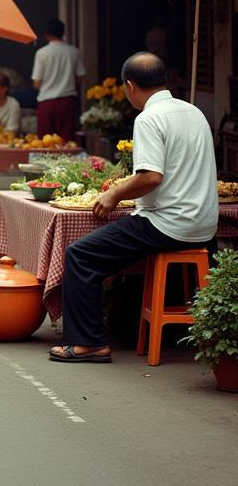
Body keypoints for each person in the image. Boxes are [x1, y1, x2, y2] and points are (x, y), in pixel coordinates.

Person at [49, 52, 218, 363]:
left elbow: (151, 177)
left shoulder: (149, 118)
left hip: (169, 224)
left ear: (129, 86)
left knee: (79, 255)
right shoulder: (193, 111)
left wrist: (114, 194)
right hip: (205, 225)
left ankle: (88, 343)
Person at [32, 18, 85, 141]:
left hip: (46, 103)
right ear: (63, 33)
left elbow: (37, 83)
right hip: (67, 102)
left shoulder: (42, 53)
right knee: (66, 142)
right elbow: (80, 76)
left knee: (45, 143)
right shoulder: (74, 52)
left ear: (47, 35)